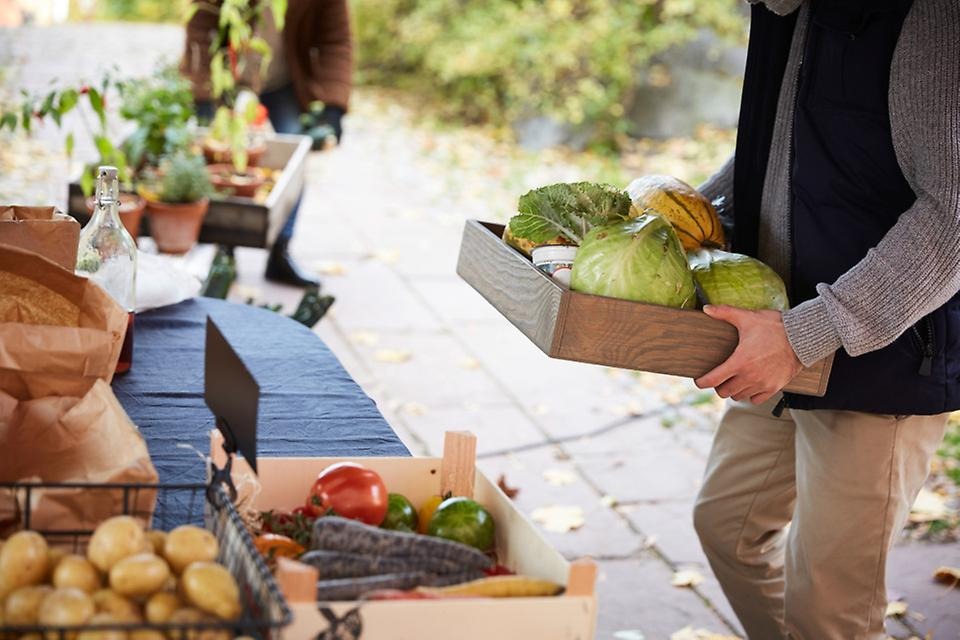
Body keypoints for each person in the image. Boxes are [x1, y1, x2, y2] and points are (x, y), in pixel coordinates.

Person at [690, 0, 959, 637]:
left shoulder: (930, 16)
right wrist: (684, 215)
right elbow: (780, 148)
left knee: (829, 607)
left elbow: (954, 216)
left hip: (881, 356)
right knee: (728, 529)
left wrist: (808, 333)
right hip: (782, 332)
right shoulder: (792, 9)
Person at [181, 0, 352, 287]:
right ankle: (226, 250)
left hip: (283, 81)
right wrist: (202, 93)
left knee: (294, 151)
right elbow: (200, 25)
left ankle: (280, 250)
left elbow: (336, 41)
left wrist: (333, 105)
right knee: (226, 156)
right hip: (230, 76)